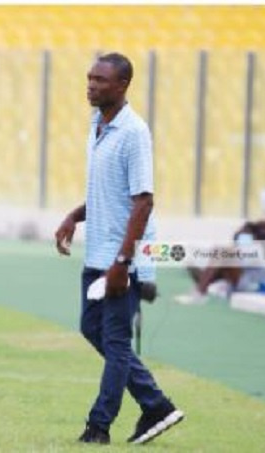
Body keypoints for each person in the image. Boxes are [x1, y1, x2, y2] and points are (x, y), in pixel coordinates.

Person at [54, 53, 184, 445]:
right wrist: (74, 216)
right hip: (99, 252)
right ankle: (155, 403)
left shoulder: (133, 132)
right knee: (90, 328)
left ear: (123, 85)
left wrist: (124, 264)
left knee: (115, 342)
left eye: (101, 80)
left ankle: (98, 427)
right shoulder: (98, 124)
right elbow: (109, 195)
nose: (91, 85)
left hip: (122, 257)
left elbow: (143, 201)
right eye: (89, 77)